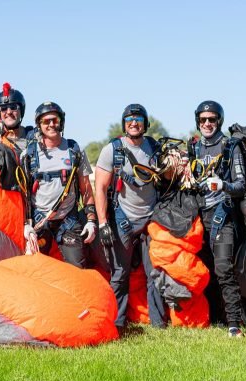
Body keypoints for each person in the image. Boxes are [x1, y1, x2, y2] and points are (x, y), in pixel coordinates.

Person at [94, 104, 166, 329]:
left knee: (154, 273)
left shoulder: (154, 147)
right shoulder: (112, 150)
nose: (133, 123)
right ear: (124, 124)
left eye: (138, 119)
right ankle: (117, 323)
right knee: (120, 274)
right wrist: (103, 223)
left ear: (145, 123)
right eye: (129, 119)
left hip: (151, 220)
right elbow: (100, 188)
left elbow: (168, 177)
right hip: (122, 218)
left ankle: (158, 323)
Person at [188, 100, 246, 337]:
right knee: (205, 268)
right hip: (199, 214)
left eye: (212, 119)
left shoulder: (231, 146)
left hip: (224, 213)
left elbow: (241, 185)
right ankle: (213, 317)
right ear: (197, 122)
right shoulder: (193, 148)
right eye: (203, 120)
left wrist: (224, 185)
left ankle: (233, 322)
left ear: (219, 120)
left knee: (223, 268)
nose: (208, 123)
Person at [21, 102, 96, 268]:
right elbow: (22, 193)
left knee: (77, 270)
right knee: (34, 272)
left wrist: (91, 220)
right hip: (39, 222)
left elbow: (86, 190)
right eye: (46, 121)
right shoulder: (29, 154)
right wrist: (25, 224)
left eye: (55, 120)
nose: (51, 124)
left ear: (61, 122)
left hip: (68, 220)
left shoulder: (75, 150)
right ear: (39, 125)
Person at [0, 83, 33, 155]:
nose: (8, 112)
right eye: (3, 108)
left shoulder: (34, 137)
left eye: (13, 107)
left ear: (21, 110)